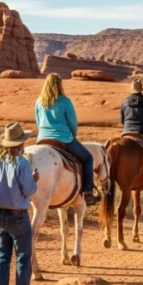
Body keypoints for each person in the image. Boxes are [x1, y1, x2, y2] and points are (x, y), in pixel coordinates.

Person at [0, 122, 40, 285]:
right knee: (23, 256)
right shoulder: (22, 163)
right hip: (18, 217)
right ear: (20, 144)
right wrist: (34, 180)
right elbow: (30, 190)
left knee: (2, 257)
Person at [34, 73, 99, 206]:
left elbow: (38, 121)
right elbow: (73, 122)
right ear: (59, 84)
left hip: (42, 139)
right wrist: (73, 135)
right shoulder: (64, 101)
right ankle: (88, 192)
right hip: (63, 138)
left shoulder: (39, 101)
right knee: (87, 158)